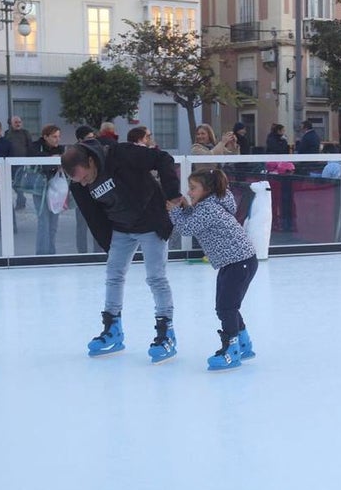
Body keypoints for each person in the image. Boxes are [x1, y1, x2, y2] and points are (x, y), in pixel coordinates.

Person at [62, 136, 184, 363]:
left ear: (91, 161)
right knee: (113, 275)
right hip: (121, 229)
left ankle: (166, 333)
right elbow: (93, 216)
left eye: (86, 177)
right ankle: (113, 330)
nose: (84, 184)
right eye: (79, 181)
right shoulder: (79, 185)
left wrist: (172, 195)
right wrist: (108, 243)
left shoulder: (120, 155)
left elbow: (163, 159)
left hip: (150, 223)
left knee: (156, 278)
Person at [166, 167, 258, 370]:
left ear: (207, 189)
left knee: (226, 307)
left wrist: (173, 210)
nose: (189, 192)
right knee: (226, 306)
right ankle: (244, 344)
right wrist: (183, 208)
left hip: (238, 262)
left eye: (193, 188)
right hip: (236, 261)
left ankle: (232, 350)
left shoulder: (210, 208)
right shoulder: (210, 203)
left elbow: (187, 228)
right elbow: (194, 219)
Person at [32, 124, 64, 254]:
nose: (57, 139)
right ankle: (42, 253)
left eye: (59, 136)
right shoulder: (35, 146)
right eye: (54, 136)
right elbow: (32, 158)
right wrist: (51, 160)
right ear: (45, 137)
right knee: (44, 220)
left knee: (53, 223)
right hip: (40, 188)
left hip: (56, 189)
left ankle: (51, 252)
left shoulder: (60, 149)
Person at [5, 115, 34, 210]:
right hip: (10, 163)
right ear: (11, 124)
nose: (18, 124)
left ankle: (21, 202)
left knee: (19, 183)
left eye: (19, 122)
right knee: (12, 183)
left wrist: (30, 161)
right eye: (16, 122)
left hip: (22, 163)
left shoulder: (26, 133)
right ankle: (20, 199)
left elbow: (30, 147)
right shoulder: (7, 133)